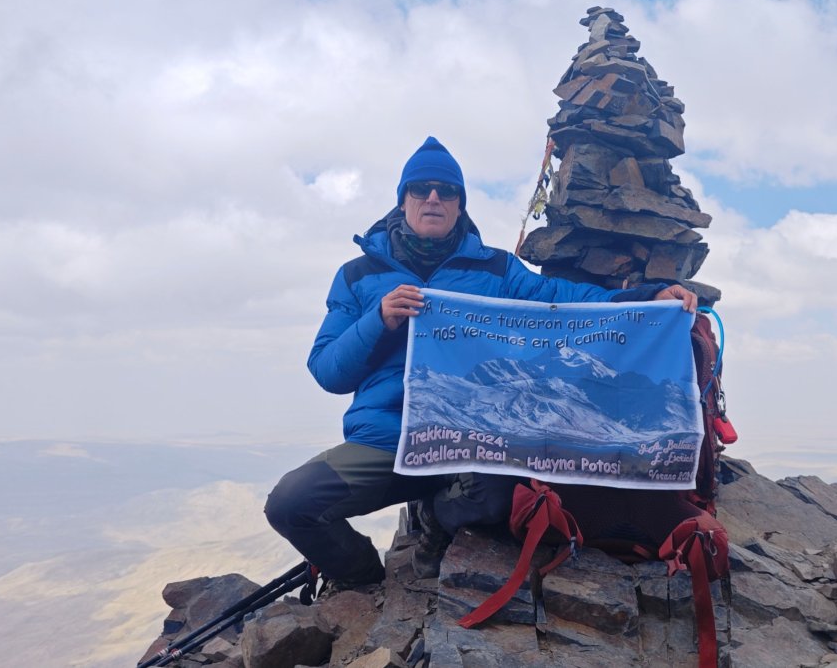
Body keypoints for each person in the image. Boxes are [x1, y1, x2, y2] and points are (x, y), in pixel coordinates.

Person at [264, 136, 697, 594]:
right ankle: (362, 577)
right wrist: (379, 320)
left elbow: (566, 302)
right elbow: (328, 370)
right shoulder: (359, 275)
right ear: (403, 199)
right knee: (291, 504)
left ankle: (434, 517)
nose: (433, 198)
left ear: (459, 204)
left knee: (503, 496)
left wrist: (648, 300)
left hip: (474, 437)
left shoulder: (496, 270)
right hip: (386, 438)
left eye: (446, 191)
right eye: (421, 189)